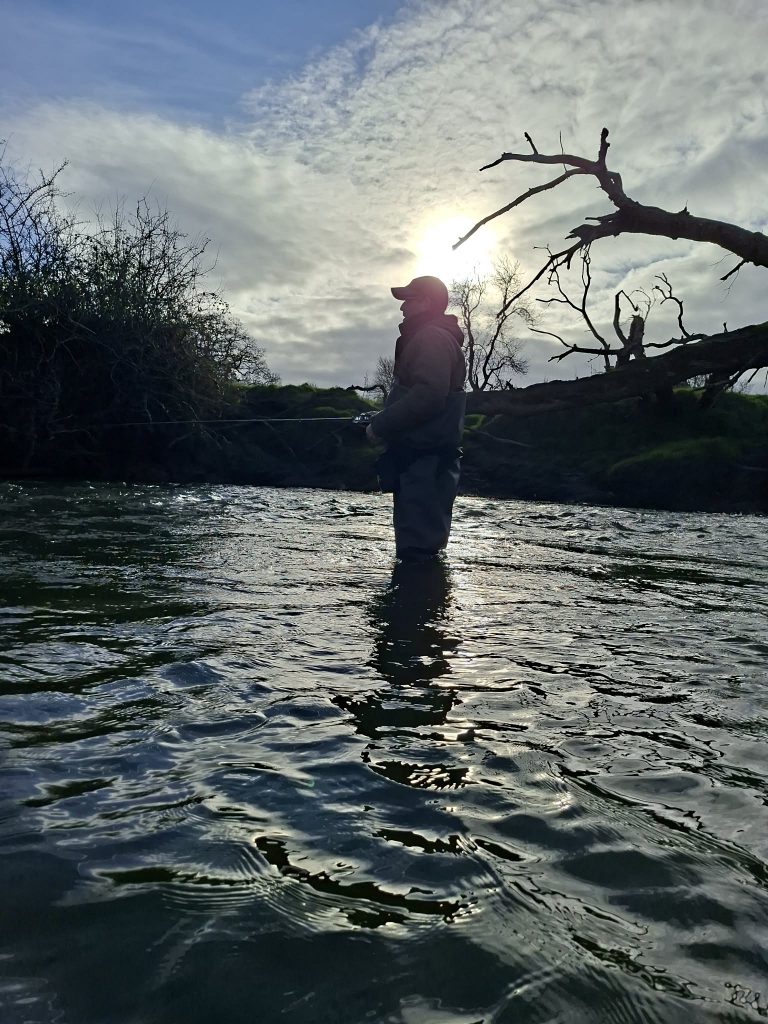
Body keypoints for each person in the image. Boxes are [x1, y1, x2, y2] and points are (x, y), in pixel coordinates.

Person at [366, 275, 466, 563]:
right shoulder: (433, 337)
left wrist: (380, 426)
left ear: (426, 302)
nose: (403, 308)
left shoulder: (430, 338)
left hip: (425, 465)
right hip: (424, 465)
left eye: (408, 300)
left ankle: (417, 607)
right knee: (421, 552)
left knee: (418, 556)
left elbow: (429, 396)